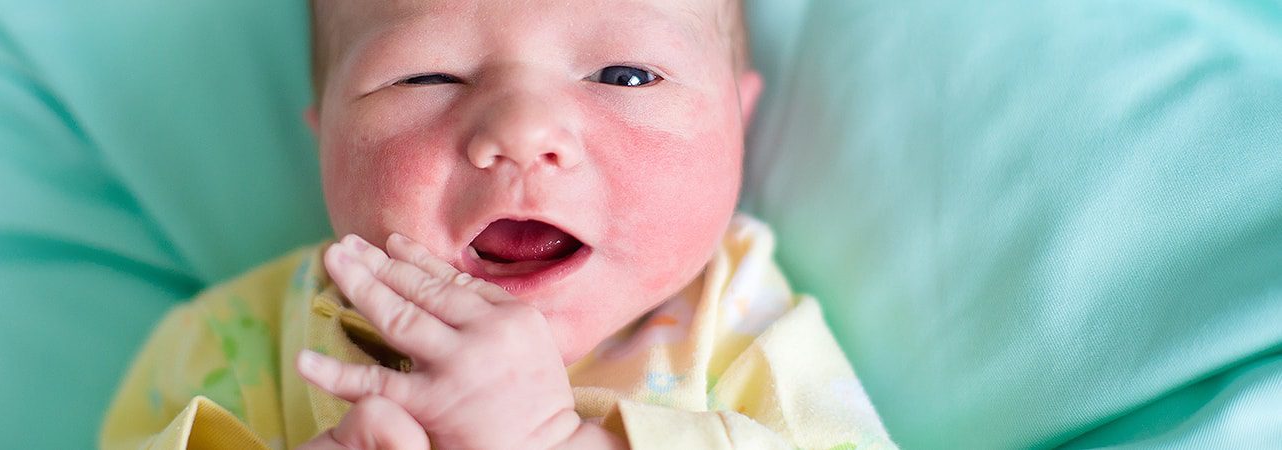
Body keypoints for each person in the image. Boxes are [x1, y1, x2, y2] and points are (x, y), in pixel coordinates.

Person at [101, 0, 894, 448]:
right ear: (327, 142)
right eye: (428, 74)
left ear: (737, 123)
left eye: (626, 74)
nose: (520, 130)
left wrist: (553, 440)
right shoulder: (236, 341)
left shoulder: (743, 331)